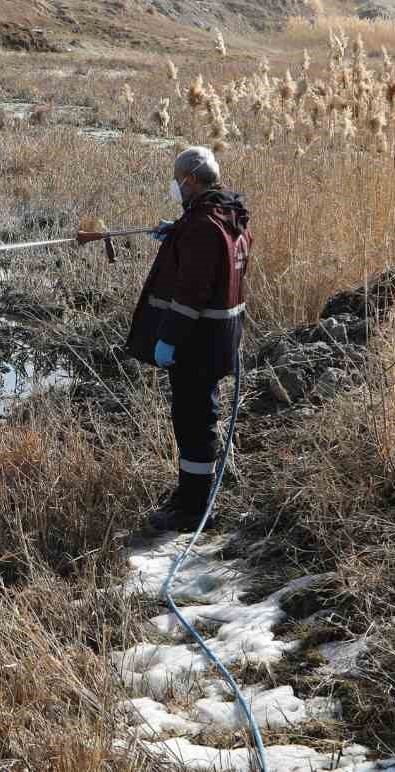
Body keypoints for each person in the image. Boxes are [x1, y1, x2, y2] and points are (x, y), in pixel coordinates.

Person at [125, 146, 252, 532]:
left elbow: (192, 294)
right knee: (202, 415)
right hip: (219, 338)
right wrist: (178, 232)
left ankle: (194, 508)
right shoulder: (229, 217)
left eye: (178, 180)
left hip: (197, 342)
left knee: (193, 419)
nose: (175, 186)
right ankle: (194, 490)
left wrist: (169, 341)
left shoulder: (203, 226)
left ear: (191, 180)